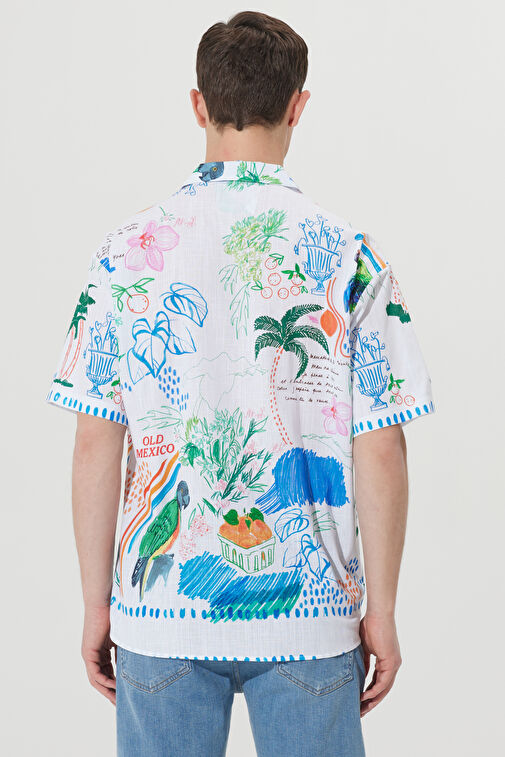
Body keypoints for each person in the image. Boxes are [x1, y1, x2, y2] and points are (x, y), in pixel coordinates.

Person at [46, 10, 435, 757]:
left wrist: (98, 602)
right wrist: (381, 610)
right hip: (311, 619)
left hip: (159, 612)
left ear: (198, 105)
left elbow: (95, 438)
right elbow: (381, 446)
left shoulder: (124, 252)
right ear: (298, 105)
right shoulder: (350, 256)